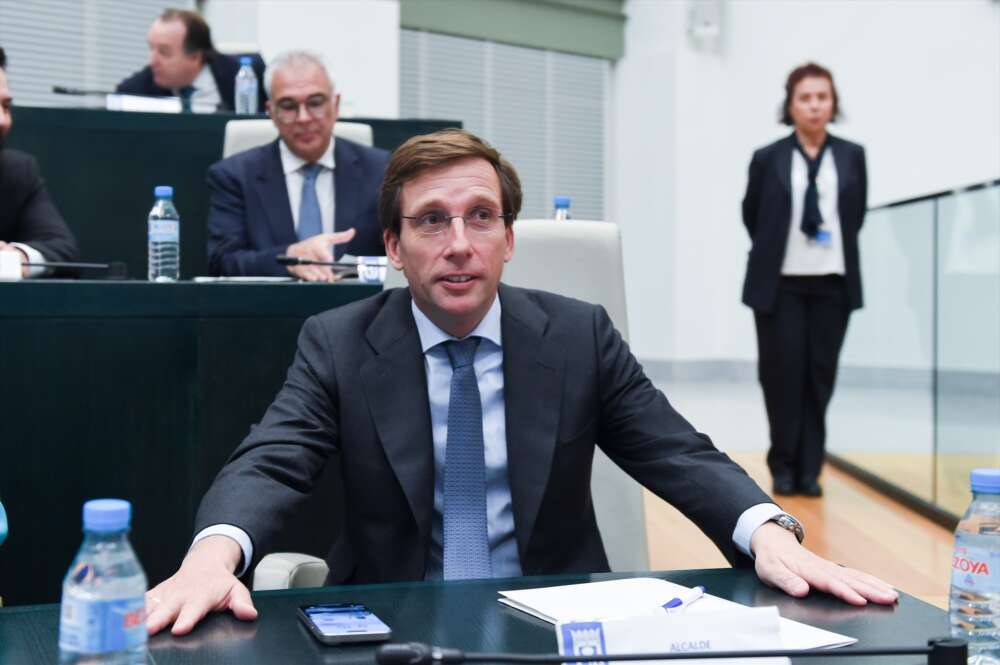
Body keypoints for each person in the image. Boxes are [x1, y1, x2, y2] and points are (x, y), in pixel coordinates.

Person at [145, 128, 896, 636]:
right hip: (392, 622)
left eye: (481, 218)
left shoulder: (576, 335)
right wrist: (211, 558)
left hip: (558, 624)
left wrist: (768, 532)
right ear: (394, 249)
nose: (461, 245)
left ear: (510, 239)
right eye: (432, 222)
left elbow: (680, 453)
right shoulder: (341, 342)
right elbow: (271, 457)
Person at [741, 63, 868, 498]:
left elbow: (856, 215)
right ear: (790, 105)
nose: (815, 105)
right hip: (780, 285)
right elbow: (752, 214)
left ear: (833, 103)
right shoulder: (768, 157)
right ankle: (783, 465)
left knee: (819, 376)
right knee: (781, 376)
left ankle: (810, 468)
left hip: (832, 283)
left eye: (822, 97)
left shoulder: (852, 155)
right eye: (805, 98)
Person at [205, 51, 388, 281]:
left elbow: (402, 254)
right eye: (289, 106)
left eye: (315, 103)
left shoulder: (381, 170)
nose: (303, 117)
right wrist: (289, 257)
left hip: (362, 312)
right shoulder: (234, 176)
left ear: (336, 105)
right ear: (271, 112)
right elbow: (222, 262)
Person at [0, 47, 79, 278]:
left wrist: (17, 258)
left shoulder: (15, 173)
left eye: (5, 107)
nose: (3, 121)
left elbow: (62, 249)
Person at [115, 9, 266, 113]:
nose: (152, 61)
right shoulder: (133, 92)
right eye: (151, 48)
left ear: (195, 57)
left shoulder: (247, 77)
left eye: (164, 52)